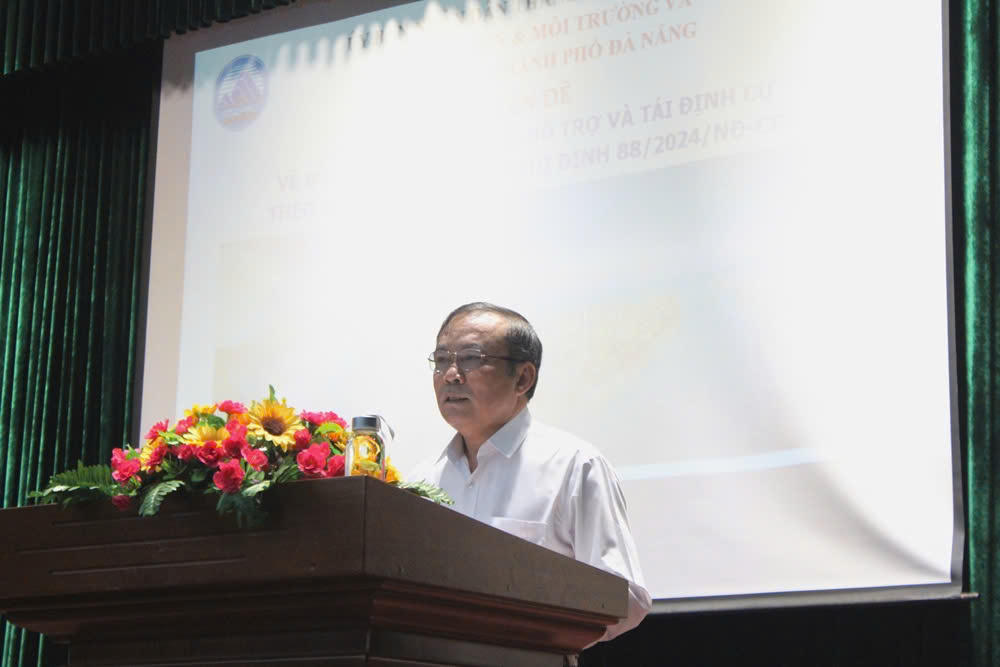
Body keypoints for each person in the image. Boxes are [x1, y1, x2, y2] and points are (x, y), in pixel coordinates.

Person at [411, 302, 652, 644]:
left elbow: (625, 598)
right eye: (441, 360)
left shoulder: (574, 465)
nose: (451, 374)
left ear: (523, 378)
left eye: (471, 358)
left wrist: (525, 631)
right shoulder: (423, 480)